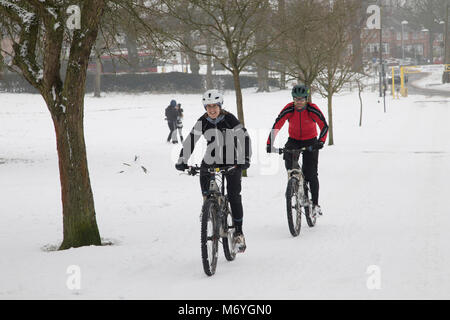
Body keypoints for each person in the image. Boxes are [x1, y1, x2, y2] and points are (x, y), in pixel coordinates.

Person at [175, 89, 251, 253]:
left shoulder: (229, 119)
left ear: (220, 105)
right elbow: (190, 141)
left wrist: (245, 159)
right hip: (211, 159)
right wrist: (183, 159)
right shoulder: (202, 121)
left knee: (233, 196)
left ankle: (238, 232)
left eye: (214, 106)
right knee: (204, 175)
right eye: (208, 107)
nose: (212, 110)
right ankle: (209, 206)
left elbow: (244, 137)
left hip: (232, 160)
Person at [266, 84, 328, 216]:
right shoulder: (289, 109)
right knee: (288, 158)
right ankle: (294, 182)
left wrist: (320, 142)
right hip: (294, 140)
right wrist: (269, 143)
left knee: (311, 174)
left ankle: (315, 204)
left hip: (311, 141)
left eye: (301, 99)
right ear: (293, 99)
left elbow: (324, 126)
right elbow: (277, 124)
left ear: (306, 99)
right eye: (296, 99)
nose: (298, 102)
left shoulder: (312, 109)